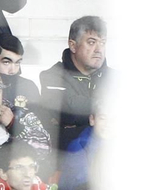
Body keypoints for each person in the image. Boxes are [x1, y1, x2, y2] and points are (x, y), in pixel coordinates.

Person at [39, 16, 106, 150]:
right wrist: (105, 109)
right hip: (66, 158)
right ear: (73, 45)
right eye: (92, 42)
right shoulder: (52, 75)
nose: (99, 49)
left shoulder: (117, 78)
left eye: (103, 43)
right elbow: (68, 110)